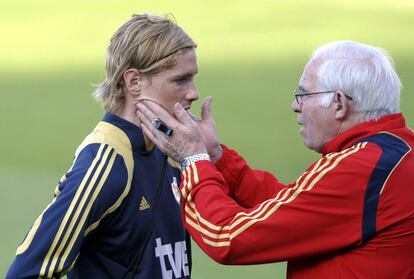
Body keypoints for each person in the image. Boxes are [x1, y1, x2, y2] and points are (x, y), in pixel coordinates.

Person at [136, 41, 414, 278]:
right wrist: (216, 157)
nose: (296, 105)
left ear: (339, 103)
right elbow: (298, 210)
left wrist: (193, 160)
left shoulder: (363, 167)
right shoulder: (394, 151)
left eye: (304, 94)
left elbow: (227, 237)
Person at [7, 13, 199, 279]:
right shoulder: (107, 161)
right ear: (134, 82)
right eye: (181, 80)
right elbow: (26, 271)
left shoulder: (170, 151)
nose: (194, 92)